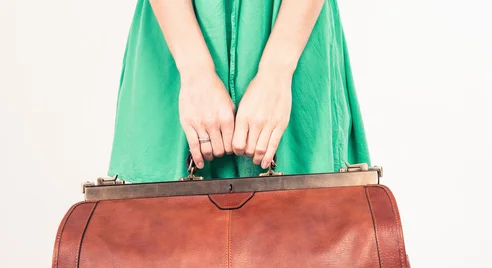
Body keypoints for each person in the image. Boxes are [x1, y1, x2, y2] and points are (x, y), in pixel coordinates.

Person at [108, 0, 371, 182]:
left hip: (293, 27)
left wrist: (277, 72)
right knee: (157, 235)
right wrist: (195, 72)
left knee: (312, 231)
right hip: (176, 30)